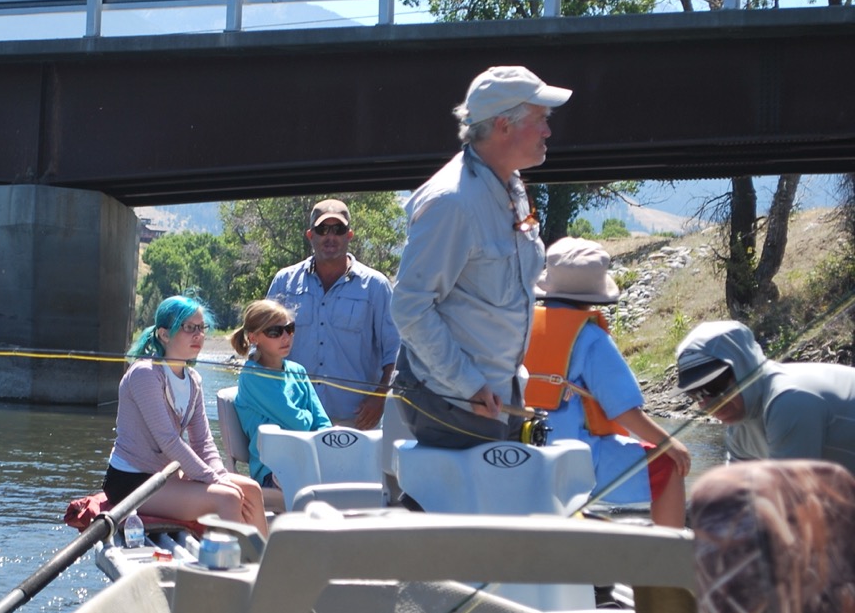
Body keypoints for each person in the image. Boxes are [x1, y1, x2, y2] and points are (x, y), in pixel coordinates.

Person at [392, 65, 569, 448]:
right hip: (454, 401)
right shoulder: (451, 203)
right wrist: (468, 384)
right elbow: (410, 307)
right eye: (541, 119)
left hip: (496, 398)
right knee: (478, 505)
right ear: (504, 125)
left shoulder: (513, 188)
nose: (548, 131)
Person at [522, 237, 690, 528]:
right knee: (669, 466)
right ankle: (668, 565)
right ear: (594, 293)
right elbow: (624, 411)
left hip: (522, 448)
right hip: (576, 457)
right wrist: (669, 444)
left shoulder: (518, 326)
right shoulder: (591, 338)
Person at [101, 295, 268, 535]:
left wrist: (220, 475)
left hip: (167, 477)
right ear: (164, 334)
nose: (198, 335)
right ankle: (233, 567)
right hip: (132, 481)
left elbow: (203, 442)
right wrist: (213, 480)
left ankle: (262, 564)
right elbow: (168, 440)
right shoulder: (145, 374)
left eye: (201, 328)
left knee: (251, 489)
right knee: (228, 498)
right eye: (189, 328)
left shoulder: (194, 381)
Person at [266, 198, 400, 430]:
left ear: (349, 235)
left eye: (338, 229)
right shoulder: (284, 282)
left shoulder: (376, 286)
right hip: (294, 416)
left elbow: (395, 351)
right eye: (322, 229)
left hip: (356, 421)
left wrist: (380, 398)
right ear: (310, 235)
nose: (331, 236)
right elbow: (263, 343)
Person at [675, 320, 855, 474]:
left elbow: (793, 500)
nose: (707, 404)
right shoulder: (740, 426)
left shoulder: (788, 400)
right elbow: (737, 496)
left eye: (714, 387)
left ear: (744, 366)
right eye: (695, 394)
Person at [230, 299, 332, 511]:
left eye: (289, 329)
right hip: (271, 471)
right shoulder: (252, 377)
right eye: (275, 332)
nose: (286, 337)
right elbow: (300, 423)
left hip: (308, 464)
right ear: (253, 337)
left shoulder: (298, 371)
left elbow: (323, 424)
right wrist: (308, 417)